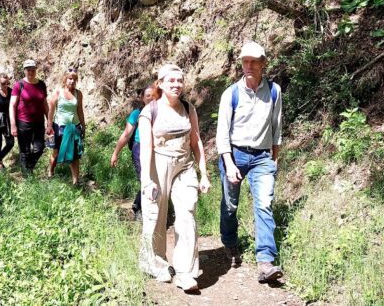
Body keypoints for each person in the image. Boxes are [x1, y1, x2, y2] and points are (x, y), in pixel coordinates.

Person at [138, 64, 211, 292]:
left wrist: (204, 173)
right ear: (160, 83)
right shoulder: (149, 111)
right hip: (158, 165)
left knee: (187, 213)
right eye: (171, 81)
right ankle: (157, 264)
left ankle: (185, 272)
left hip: (184, 165)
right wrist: (147, 180)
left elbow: (196, 140)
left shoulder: (188, 108)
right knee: (155, 215)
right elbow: (146, 149)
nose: (177, 85)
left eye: (180, 81)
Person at [216, 41, 284, 283]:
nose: (249, 66)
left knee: (264, 204)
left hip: (263, 157)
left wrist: (275, 158)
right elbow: (222, 134)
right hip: (234, 154)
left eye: (254, 61)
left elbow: (277, 128)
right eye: (245, 61)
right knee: (230, 206)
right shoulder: (231, 93)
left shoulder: (274, 91)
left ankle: (265, 260)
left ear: (263, 63)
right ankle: (230, 243)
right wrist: (229, 162)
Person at [110, 84, 156, 217]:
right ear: (142, 98)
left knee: (155, 179)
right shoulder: (137, 114)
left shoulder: (162, 111)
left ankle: (138, 203)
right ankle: (140, 210)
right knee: (144, 179)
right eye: (148, 96)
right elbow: (126, 134)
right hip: (139, 148)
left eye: (154, 95)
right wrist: (115, 153)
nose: (151, 98)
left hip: (156, 149)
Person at [47, 69, 86, 185]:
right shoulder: (58, 92)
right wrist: (49, 125)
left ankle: (75, 181)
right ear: (65, 79)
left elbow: (80, 111)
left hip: (74, 127)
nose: (72, 81)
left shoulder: (78, 94)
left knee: (74, 155)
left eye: (74, 79)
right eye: (70, 78)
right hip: (59, 127)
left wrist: (83, 126)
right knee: (56, 152)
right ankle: (50, 171)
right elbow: (51, 110)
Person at [9, 59, 49, 174]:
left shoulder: (41, 84)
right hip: (23, 122)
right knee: (25, 150)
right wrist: (13, 125)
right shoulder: (19, 85)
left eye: (33, 69)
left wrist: (49, 120)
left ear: (36, 70)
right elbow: (12, 105)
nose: (31, 72)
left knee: (40, 148)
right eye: (28, 70)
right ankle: (27, 175)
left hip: (39, 122)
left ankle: (28, 167)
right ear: (24, 71)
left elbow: (44, 103)